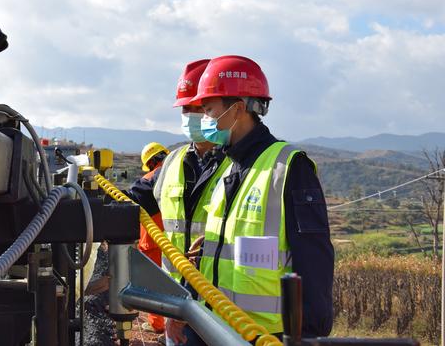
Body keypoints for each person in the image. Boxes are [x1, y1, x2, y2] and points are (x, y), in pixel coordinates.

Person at [189, 55, 334, 340]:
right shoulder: (229, 165)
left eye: (209, 110)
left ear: (238, 109)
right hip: (219, 326)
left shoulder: (289, 166)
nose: (204, 119)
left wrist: (308, 335)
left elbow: (314, 259)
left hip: (268, 335)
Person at [126, 59, 232, 346]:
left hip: (225, 309)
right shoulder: (172, 162)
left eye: (198, 108)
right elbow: (134, 198)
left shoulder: (241, 165)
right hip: (176, 303)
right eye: (186, 109)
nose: (191, 116)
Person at [137, 142, 169, 334]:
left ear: (150, 162)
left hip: (152, 241)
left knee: (154, 284)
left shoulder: (149, 179)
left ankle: (157, 324)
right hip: (175, 242)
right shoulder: (177, 176)